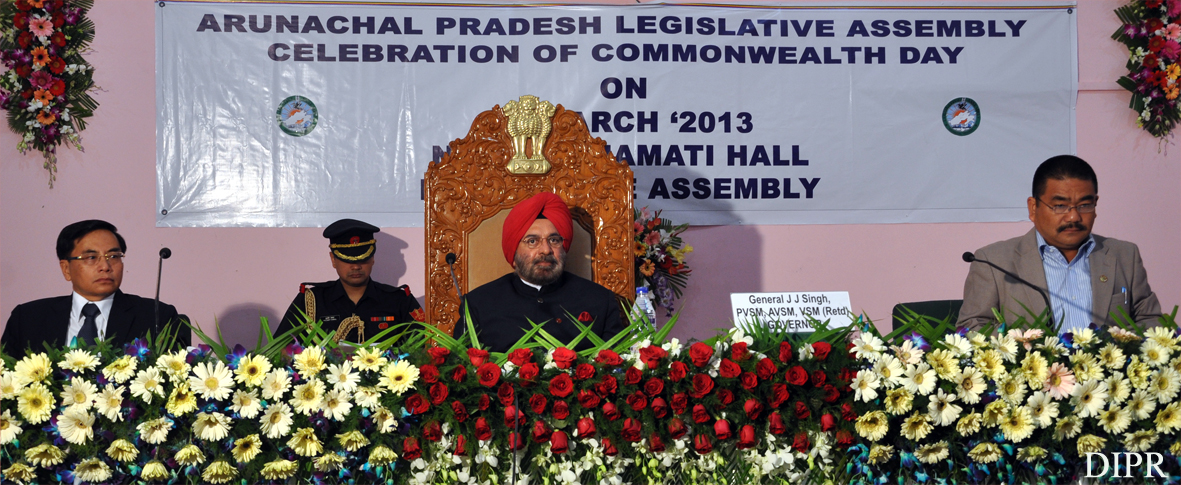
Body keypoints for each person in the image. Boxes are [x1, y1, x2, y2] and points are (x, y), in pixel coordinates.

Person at [958, 155, 1161, 331]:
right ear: (1033, 207)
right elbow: (972, 327)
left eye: (1084, 205)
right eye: (1060, 206)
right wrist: (1024, 348)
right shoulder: (993, 262)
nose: (1073, 216)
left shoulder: (1124, 255)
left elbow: (1150, 320)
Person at [457, 192, 625, 352]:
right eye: (532, 241)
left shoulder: (600, 301)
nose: (545, 250)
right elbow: (459, 371)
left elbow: (618, 370)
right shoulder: (478, 305)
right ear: (514, 254)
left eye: (554, 240)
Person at [1, 220, 188, 354]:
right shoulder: (27, 319)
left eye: (114, 257)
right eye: (91, 258)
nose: (105, 266)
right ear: (66, 269)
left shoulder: (157, 317)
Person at [276, 219, 424, 344]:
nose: (356, 266)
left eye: (363, 259)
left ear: (372, 258)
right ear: (333, 259)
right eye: (347, 260)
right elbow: (281, 348)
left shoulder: (399, 300)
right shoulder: (311, 300)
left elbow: (423, 346)